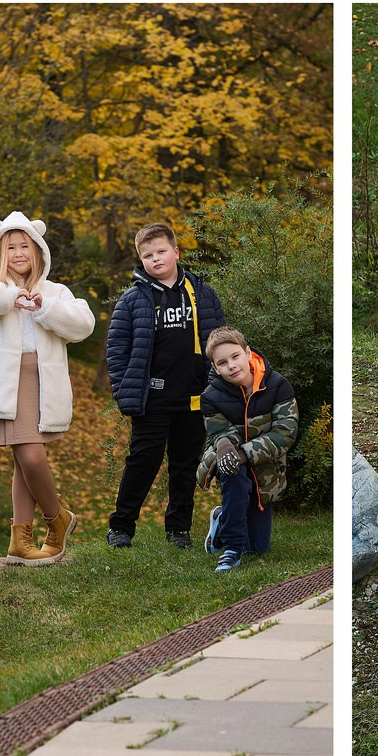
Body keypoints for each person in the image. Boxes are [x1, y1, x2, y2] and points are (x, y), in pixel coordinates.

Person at [0, 211, 96, 562]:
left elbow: (84, 324)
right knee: (27, 456)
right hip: (3, 382)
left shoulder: (53, 290)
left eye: (25, 245)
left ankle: (26, 536)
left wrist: (47, 309)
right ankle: (54, 520)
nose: (18, 253)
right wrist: (4, 297)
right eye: (10, 246)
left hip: (39, 380)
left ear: (38, 250)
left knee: (26, 457)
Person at [105, 223, 225, 549]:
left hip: (194, 397)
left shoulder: (202, 294)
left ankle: (178, 529)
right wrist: (125, 392)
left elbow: (220, 344)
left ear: (175, 252)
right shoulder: (132, 301)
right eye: (147, 255)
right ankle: (121, 528)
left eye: (161, 251)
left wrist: (216, 386)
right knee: (143, 462)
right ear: (140, 260)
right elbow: (117, 352)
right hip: (153, 398)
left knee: (185, 465)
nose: (155, 259)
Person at [197, 327, 299, 574]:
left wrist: (244, 452)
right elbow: (218, 432)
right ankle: (231, 550)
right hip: (233, 465)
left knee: (257, 548)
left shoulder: (277, 386)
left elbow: (285, 434)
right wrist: (223, 445)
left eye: (235, 356)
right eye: (222, 362)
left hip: (266, 469)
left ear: (247, 353)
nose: (231, 365)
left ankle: (222, 520)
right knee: (232, 469)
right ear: (215, 368)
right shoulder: (210, 397)